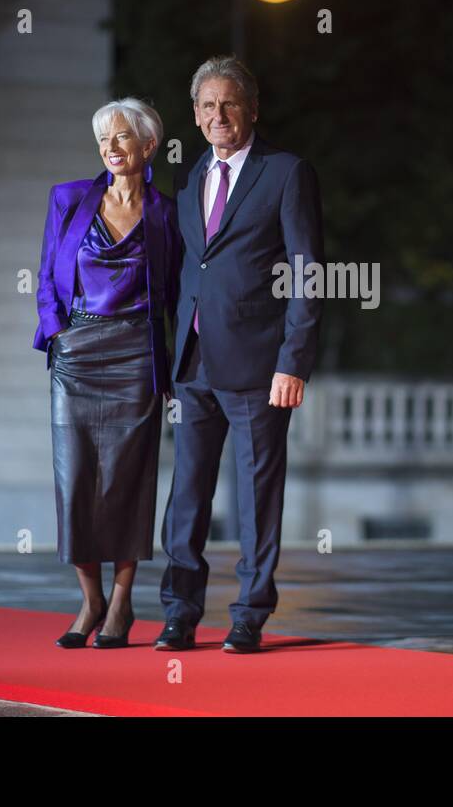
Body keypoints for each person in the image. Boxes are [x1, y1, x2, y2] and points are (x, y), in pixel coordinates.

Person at [156, 55, 324, 653]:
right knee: (186, 494)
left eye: (229, 103)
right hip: (195, 358)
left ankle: (249, 615)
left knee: (255, 497)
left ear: (252, 109)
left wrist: (293, 359)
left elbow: (308, 272)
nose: (218, 115)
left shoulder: (285, 172)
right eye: (207, 106)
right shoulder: (190, 176)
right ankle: (179, 612)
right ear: (196, 116)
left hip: (259, 365)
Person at [33, 97, 181, 649]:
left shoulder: (167, 213)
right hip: (76, 353)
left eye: (121, 137)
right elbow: (47, 274)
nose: (110, 148)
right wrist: (57, 332)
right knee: (75, 479)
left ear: (147, 145)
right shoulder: (68, 199)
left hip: (135, 355)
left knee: (127, 478)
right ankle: (89, 598)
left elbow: (178, 290)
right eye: (103, 139)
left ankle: (121, 602)